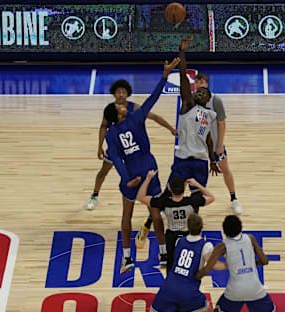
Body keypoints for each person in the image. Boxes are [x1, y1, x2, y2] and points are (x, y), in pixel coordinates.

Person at [113, 213, 225, 312]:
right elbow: (213, 265)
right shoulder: (206, 245)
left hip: (169, 284)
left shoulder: (180, 241)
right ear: (202, 228)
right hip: (187, 288)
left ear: (187, 227)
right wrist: (229, 265)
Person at [106, 58, 180, 273]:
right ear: (118, 114)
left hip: (131, 174)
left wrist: (127, 178)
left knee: (126, 216)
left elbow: (117, 159)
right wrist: (165, 76)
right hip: (149, 168)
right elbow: (154, 98)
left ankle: (127, 258)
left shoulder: (111, 134)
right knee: (155, 214)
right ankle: (164, 253)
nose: (122, 105)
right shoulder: (136, 117)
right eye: (119, 106)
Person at [87, 80, 177, 211]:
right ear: (114, 94)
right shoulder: (111, 110)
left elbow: (154, 116)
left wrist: (170, 128)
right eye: (119, 92)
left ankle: (152, 206)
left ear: (128, 93)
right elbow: (103, 127)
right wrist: (99, 146)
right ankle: (94, 195)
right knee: (103, 172)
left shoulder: (134, 107)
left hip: (131, 151)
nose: (121, 95)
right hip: (115, 146)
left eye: (124, 92)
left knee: (136, 176)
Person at [168, 37, 219, 202]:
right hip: (183, 158)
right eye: (199, 91)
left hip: (201, 161)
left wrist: (213, 160)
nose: (200, 93)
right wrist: (181, 51)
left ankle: (193, 223)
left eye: (204, 93)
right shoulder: (188, 104)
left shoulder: (210, 114)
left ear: (207, 100)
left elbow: (209, 139)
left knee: (197, 198)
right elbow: (183, 75)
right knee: (171, 192)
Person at [136, 170, 214, 271]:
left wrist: (148, 179)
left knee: (171, 266)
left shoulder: (164, 202)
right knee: (189, 265)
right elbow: (211, 198)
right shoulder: (191, 201)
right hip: (188, 235)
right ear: (184, 189)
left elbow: (140, 197)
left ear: (170, 189)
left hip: (171, 236)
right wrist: (197, 184)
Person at [194, 72, 243, 215]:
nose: (199, 85)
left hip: (215, 145)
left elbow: (222, 123)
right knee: (185, 174)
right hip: (197, 147)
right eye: (196, 82)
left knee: (225, 170)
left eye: (201, 82)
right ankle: (169, 202)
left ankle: (234, 198)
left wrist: (220, 144)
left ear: (207, 84)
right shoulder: (192, 99)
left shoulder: (215, 101)